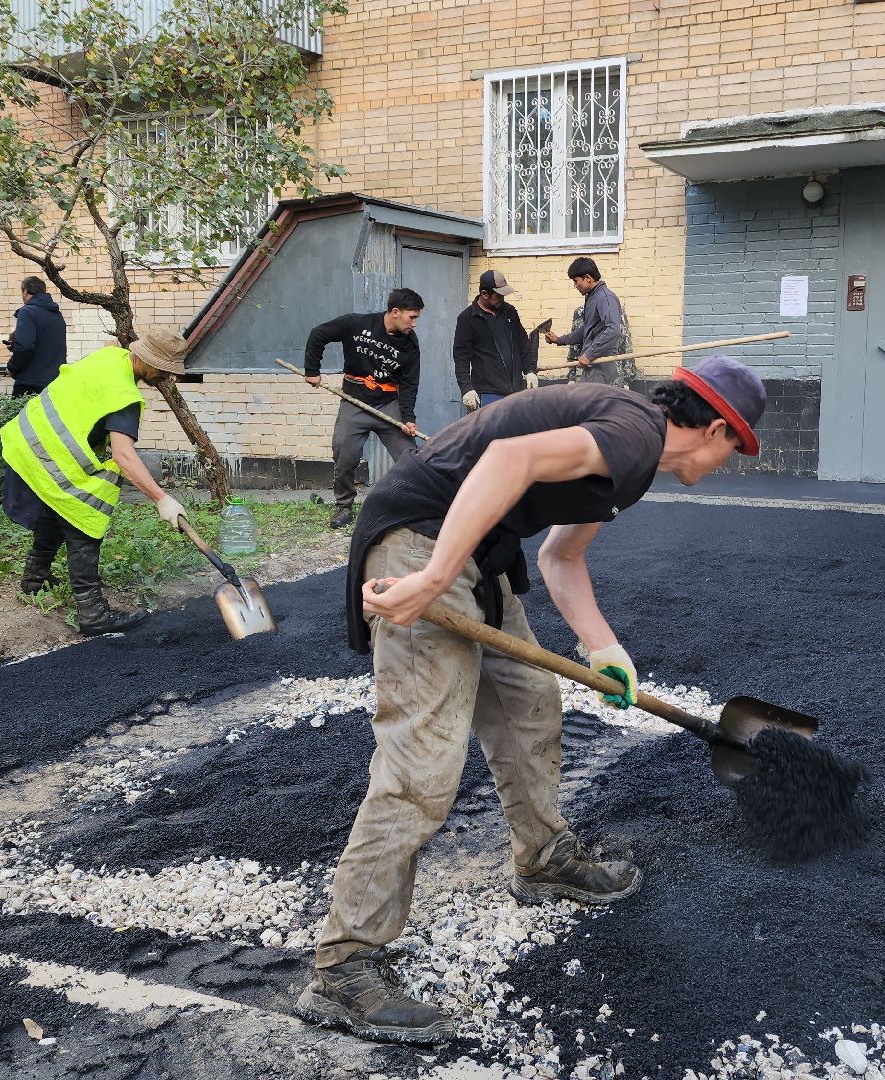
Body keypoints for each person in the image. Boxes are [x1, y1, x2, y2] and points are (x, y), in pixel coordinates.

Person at [295, 355, 767, 1045]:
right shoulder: (636, 431)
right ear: (719, 430)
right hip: (422, 540)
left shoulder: (627, 451)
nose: (732, 462)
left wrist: (605, 651)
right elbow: (507, 460)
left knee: (530, 707)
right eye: (739, 449)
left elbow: (561, 557)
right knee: (423, 761)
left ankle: (543, 859)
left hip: (475, 556)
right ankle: (343, 966)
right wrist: (431, 577)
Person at [0, 328, 190, 636]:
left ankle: (35, 579)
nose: (169, 378)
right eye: (166, 371)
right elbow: (124, 457)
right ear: (149, 361)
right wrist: (161, 499)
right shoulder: (125, 397)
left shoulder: (108, 357)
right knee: (85, 518)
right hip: (48, 454)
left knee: (56, 507)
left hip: (27, 440)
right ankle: (92, 614)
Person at [304, 289, 424, 530]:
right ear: (395, 312)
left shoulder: (410, 343)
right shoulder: (356, 323)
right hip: (354, 401)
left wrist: (408, 418)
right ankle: (344, 506)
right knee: (344, 454)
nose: (415, 323)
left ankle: (417, 507)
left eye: (416, 317)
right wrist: (312, 371)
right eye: (412, 317)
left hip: (388, 404)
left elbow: (409, 384)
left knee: (410, 458)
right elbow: (319, 334)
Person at [453, 269, 538, 412]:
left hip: (515, 391)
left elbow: (523, 343)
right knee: (491, 434)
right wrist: (466, 388)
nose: (502, 298)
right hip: (488, 392)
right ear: (484, 294)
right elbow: (461, 356)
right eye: (498, 295)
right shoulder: (467, 319)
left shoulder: (509, 312)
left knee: (516, 434)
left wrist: (530, 370)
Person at [544, 257, 631, 386]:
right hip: (591, 365)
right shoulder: (593, 297)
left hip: (600, 365)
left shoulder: (605, 297)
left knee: (593, 404)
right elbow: (586, 330)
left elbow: (613, 330)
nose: (575, 286)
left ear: (588, 278)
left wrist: (589, 354)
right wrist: (559, 340)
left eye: (576, 281)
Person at [6, 276, 67, 397]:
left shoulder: (27, 312)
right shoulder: (57, 314)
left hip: (30, 384)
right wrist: (15, 346)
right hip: (54, 384)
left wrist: (11, 367)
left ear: (25, 292)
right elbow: (48, 345)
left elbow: (25, 347)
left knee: (19, 416)